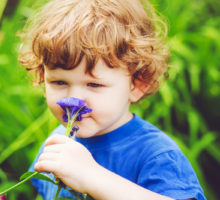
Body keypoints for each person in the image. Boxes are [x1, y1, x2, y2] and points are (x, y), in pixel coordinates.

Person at [19, 0, 206, 199]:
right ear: (42, 77)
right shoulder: (57, 142)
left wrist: (92, 177)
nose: (73, 99)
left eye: (94, 85)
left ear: (137, 84)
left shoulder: (156, 154)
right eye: (58, 82)